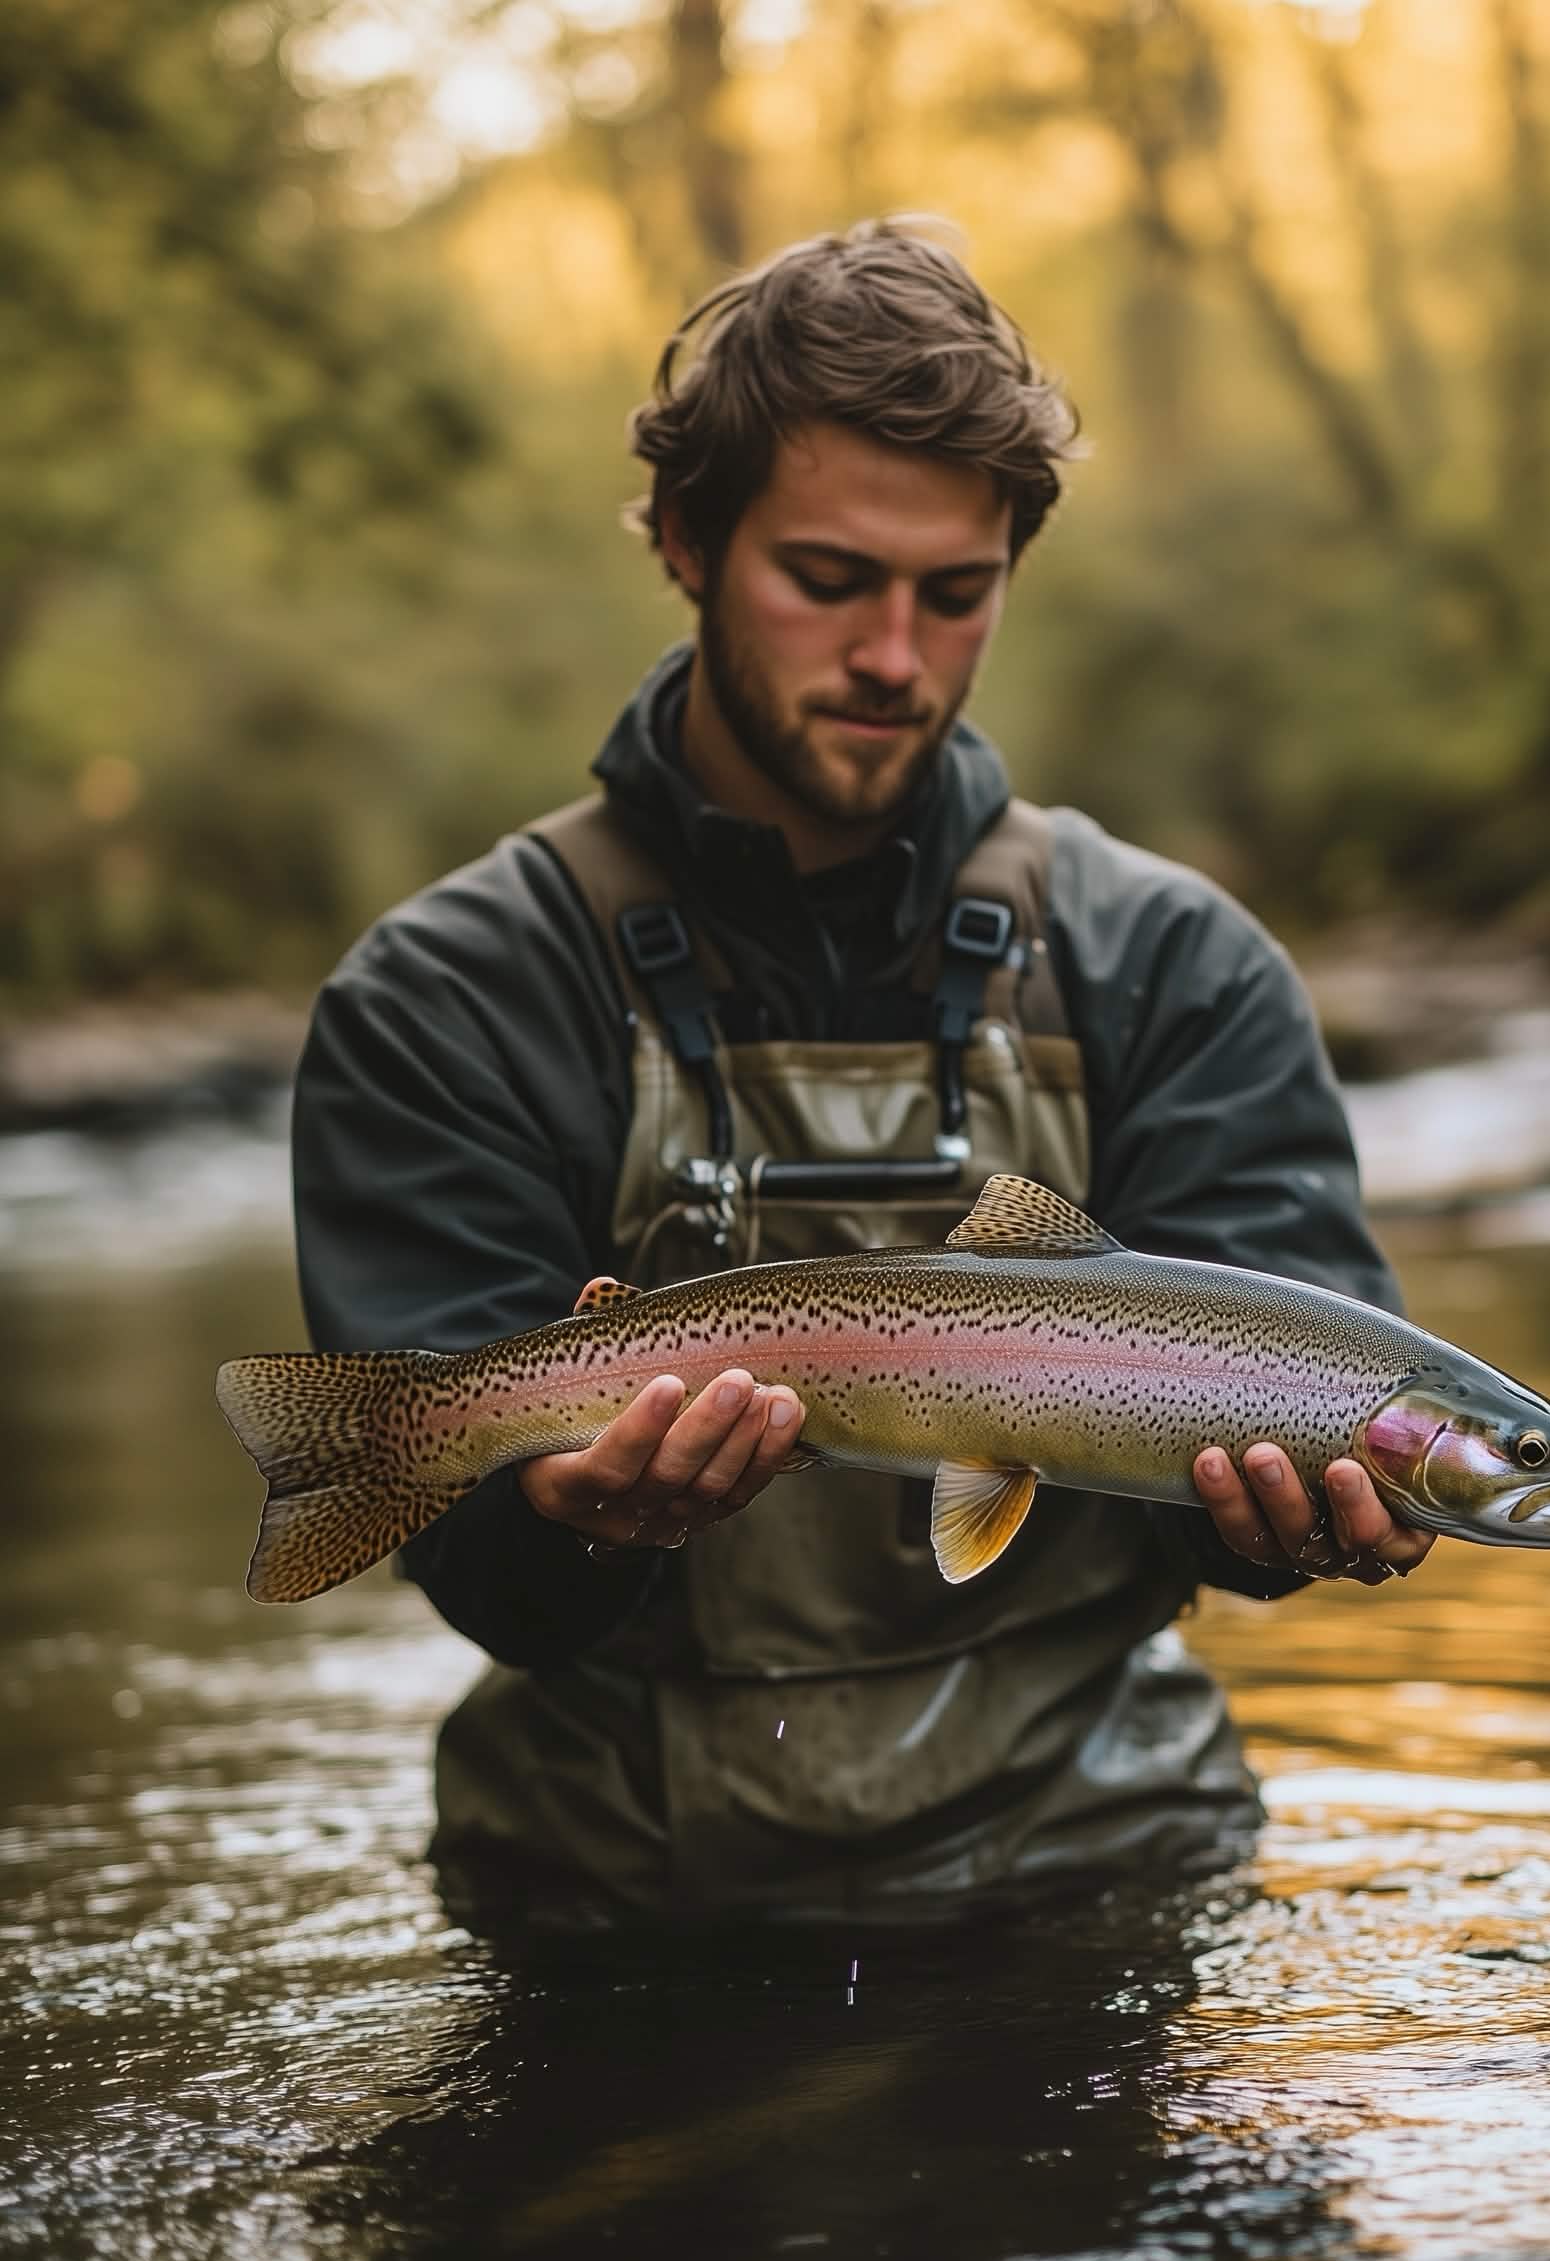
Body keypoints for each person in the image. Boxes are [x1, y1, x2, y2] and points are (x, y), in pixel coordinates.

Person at [292, 221, 1431, 1929]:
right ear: (685, 540)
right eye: (829, 580)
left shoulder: (1173, 963)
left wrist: (1293, 1527)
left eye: (954, 594)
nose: (896, 656)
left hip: (1101, 1871)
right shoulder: (451, 991)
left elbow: (1296, 1392)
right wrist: (573, 1510)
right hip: (621, 1905)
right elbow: (484, 1578)